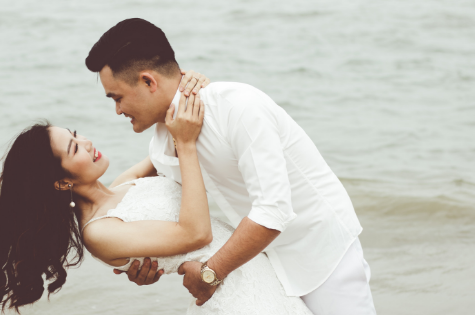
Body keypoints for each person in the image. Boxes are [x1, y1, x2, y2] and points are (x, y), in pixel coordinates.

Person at [85, 18, 377, 315]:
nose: (118, 110)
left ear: (149, 81)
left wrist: (211, 273)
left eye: (117, 97)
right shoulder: (160, 144)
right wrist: (148, 262)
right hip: (256, 266)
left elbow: (273, 210)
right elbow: (149, 206)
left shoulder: (238, 108)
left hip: (320, 254)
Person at [0, 93, 313, 314]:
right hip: (235, 299)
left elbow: (165, 138)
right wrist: (188, 146)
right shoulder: (99, 234)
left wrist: (189, 88)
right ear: (62, 182)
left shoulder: (122, 186)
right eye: (74, 148)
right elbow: (196, 233)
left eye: (74, 133)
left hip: (254, 276)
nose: (86, 142)